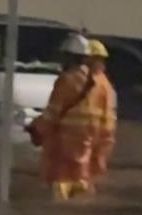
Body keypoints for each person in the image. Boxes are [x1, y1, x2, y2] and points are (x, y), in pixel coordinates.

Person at [28, 33, 103, 200]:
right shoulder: (96, 82)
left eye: (64, 57)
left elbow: (53, 112)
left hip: (65, 142)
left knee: (61, 182)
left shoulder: (67, 80)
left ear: (71, 57)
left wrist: (35, 128)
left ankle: (61, 209)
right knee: (81, 180)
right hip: (88, 141)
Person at [86, 39, 118, 183]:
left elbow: (108, 113)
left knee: (86, 172)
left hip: (94, 135)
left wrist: (105, 138)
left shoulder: (98, 82)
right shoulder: (100, 81)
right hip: (95, 135)